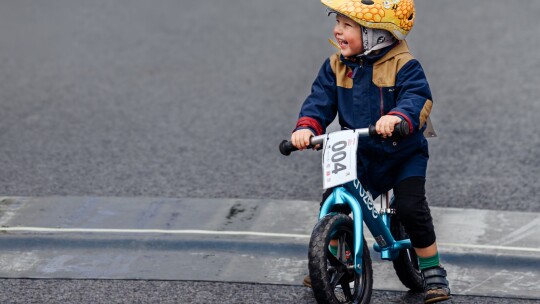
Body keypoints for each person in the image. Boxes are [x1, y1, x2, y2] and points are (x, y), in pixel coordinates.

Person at [290, 0, 450, 303]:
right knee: (335, 201)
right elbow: (319, 100)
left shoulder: (404, 65)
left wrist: (399, 117)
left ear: (377, 34)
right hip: (359, 150)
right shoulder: (336, 66)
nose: (337, 31)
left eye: (347, 25)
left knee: (411, 209)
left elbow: (418, 97)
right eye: (337, 22)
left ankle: (432, 270)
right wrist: (306, 127)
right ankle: (333, 258)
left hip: (402, 153)